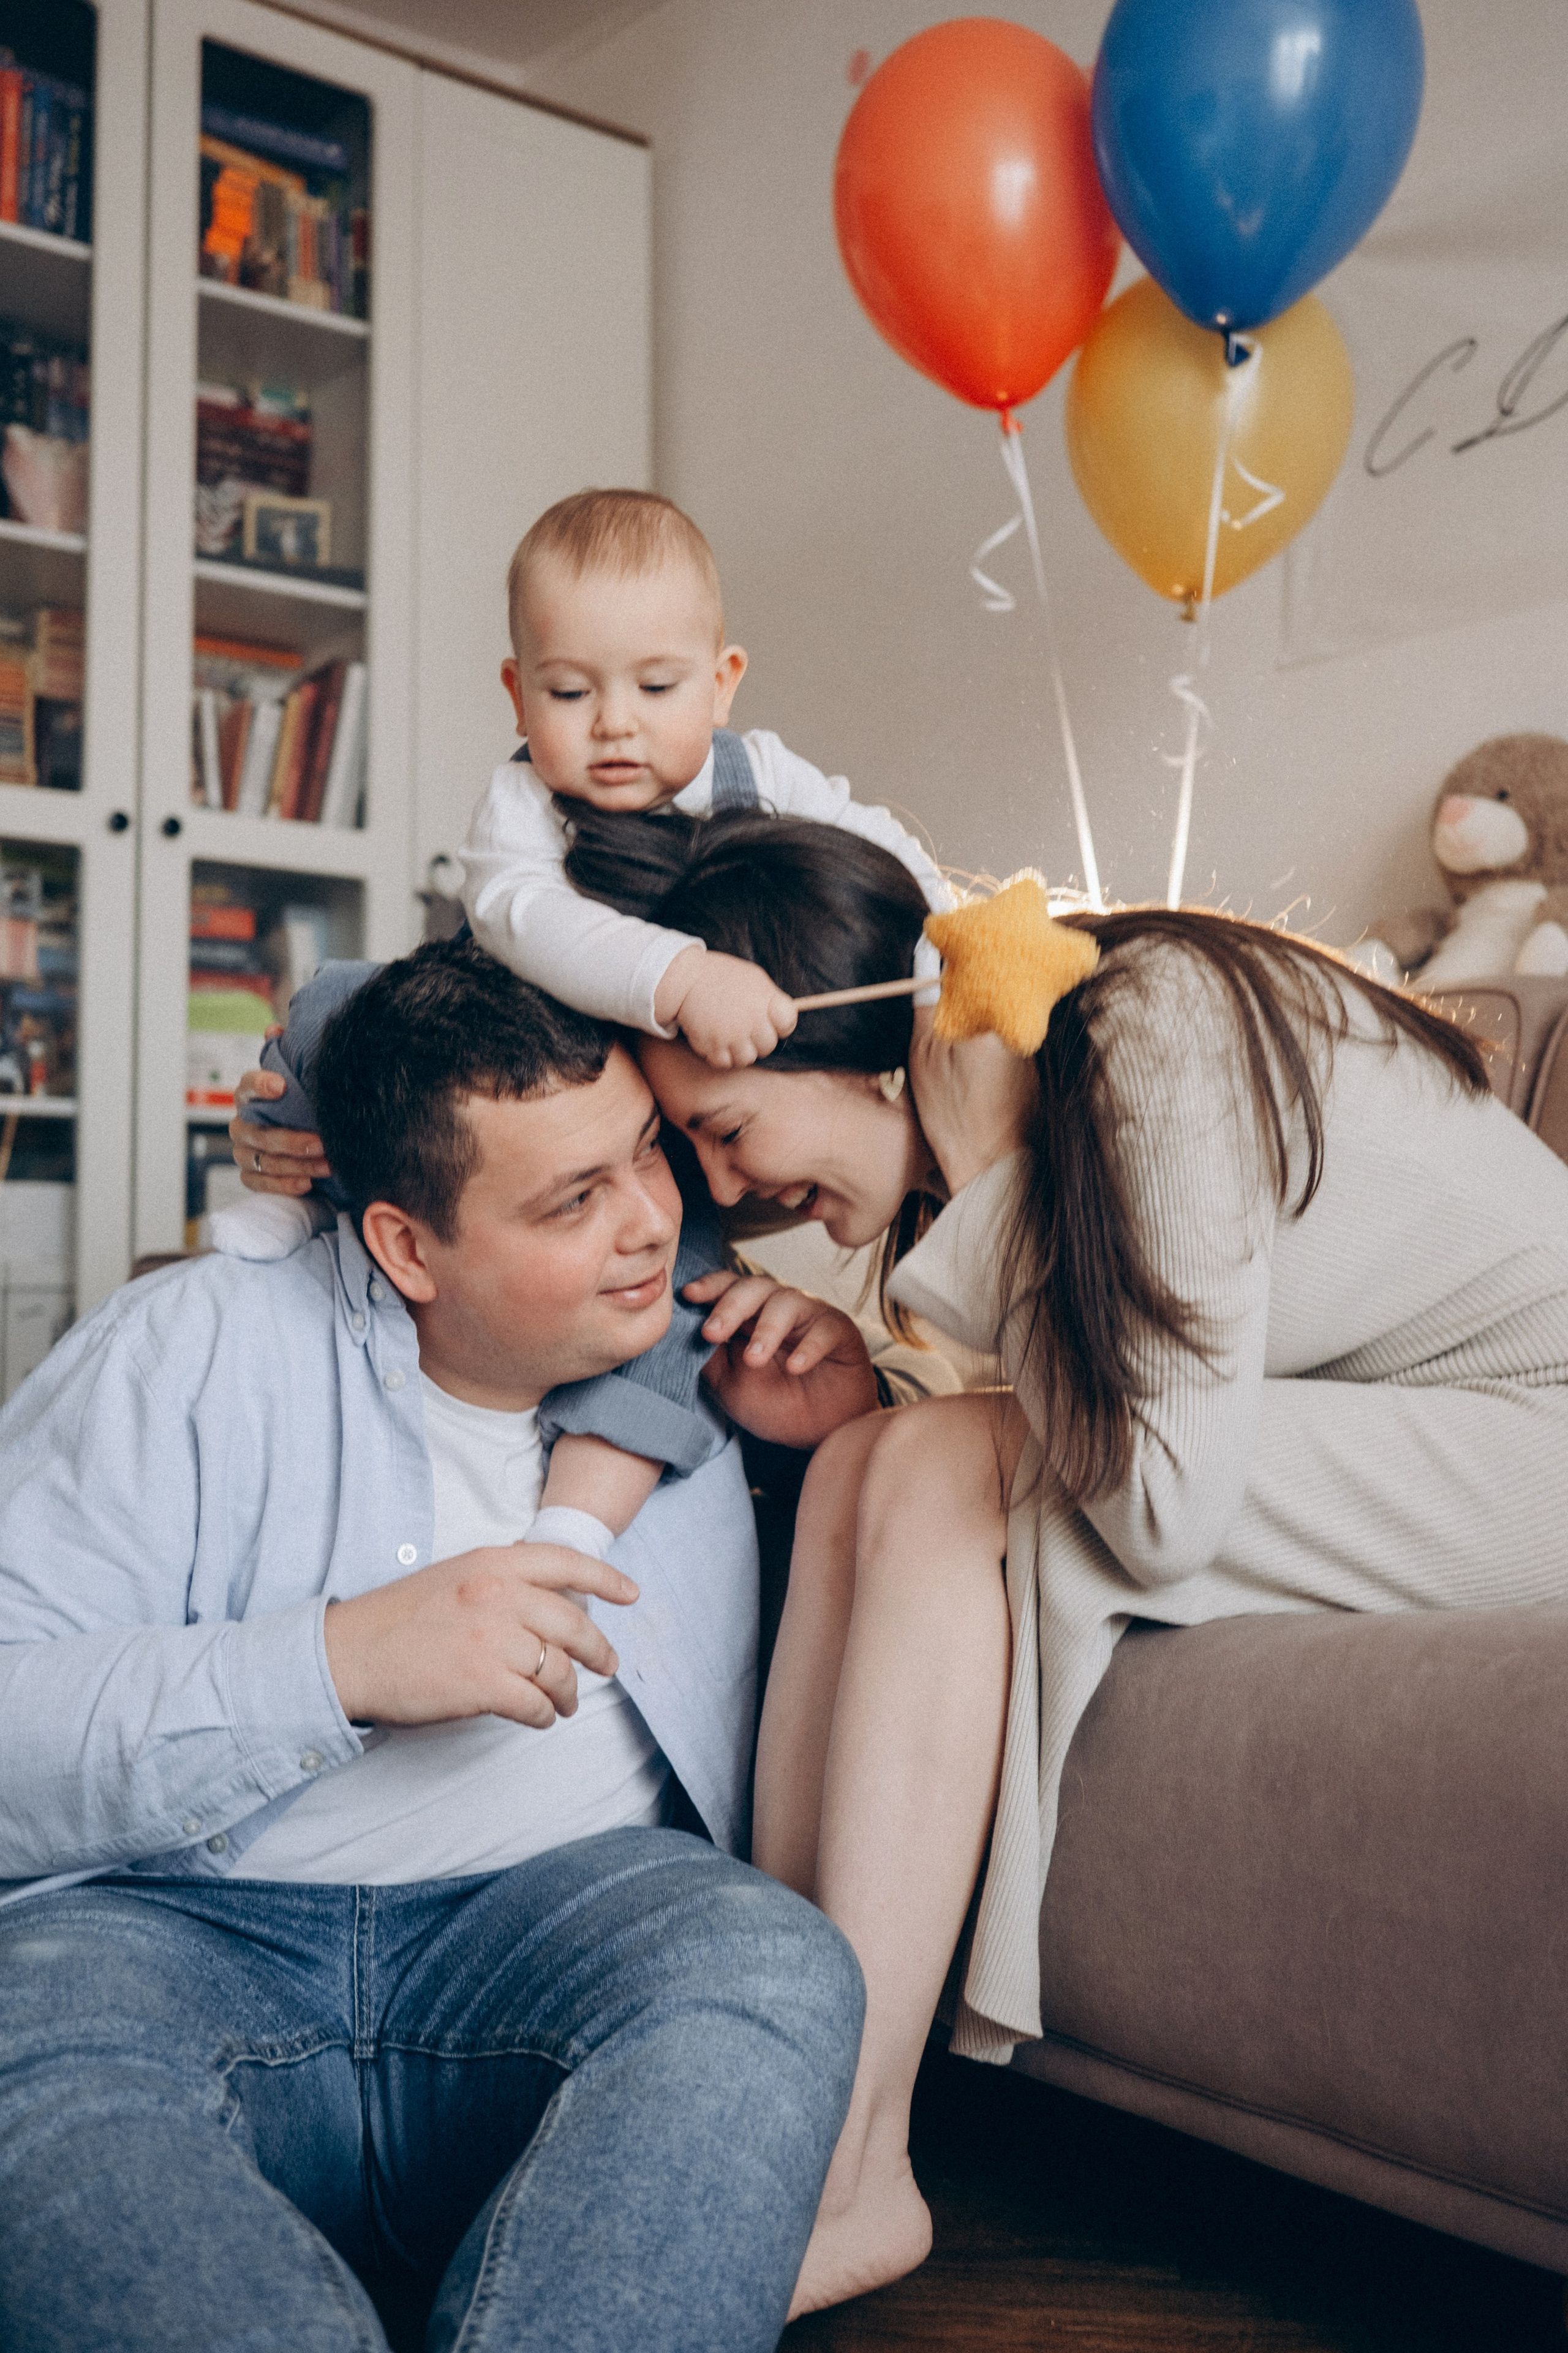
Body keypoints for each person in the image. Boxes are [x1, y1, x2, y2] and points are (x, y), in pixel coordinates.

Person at [582, 808, 1568, 2319]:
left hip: (1535, 1443)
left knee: (935, 1466)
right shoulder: (1070, 1063)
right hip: (1400, 1414)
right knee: (874, 1451)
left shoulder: (1152, 1024)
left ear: (856, 1046)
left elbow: (1157, 1499)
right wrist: (862, 1391)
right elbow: (1112, 1391)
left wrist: (980, 1173)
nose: (733, 1189)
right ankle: (762, 2100)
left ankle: (854, 2163)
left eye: (727, 1129)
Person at [0, 938, 875, 2353]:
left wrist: (847, 1425)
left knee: (769, 1966)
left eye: (645, 1156)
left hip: (554, 1926)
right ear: (407, 1242)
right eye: (571, 1199)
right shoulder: (189, 1344)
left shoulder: (712, 1360)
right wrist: (337, 1663)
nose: (650, 1222)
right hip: (167, 1937)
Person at [225, 482, 948, 1623]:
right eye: (570, 691)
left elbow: (889, 847)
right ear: (519, 692)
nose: (614, 724)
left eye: (657, 688)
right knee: (329, 1003)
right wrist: (678, 982)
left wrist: (950, 952)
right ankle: (285, 1192)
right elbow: (523, 921)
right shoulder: (525, 805)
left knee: (677, 1287)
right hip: (511, 1038)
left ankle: (576, 1516)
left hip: (634, 1104)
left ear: (723, 681)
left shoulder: (763, 781)